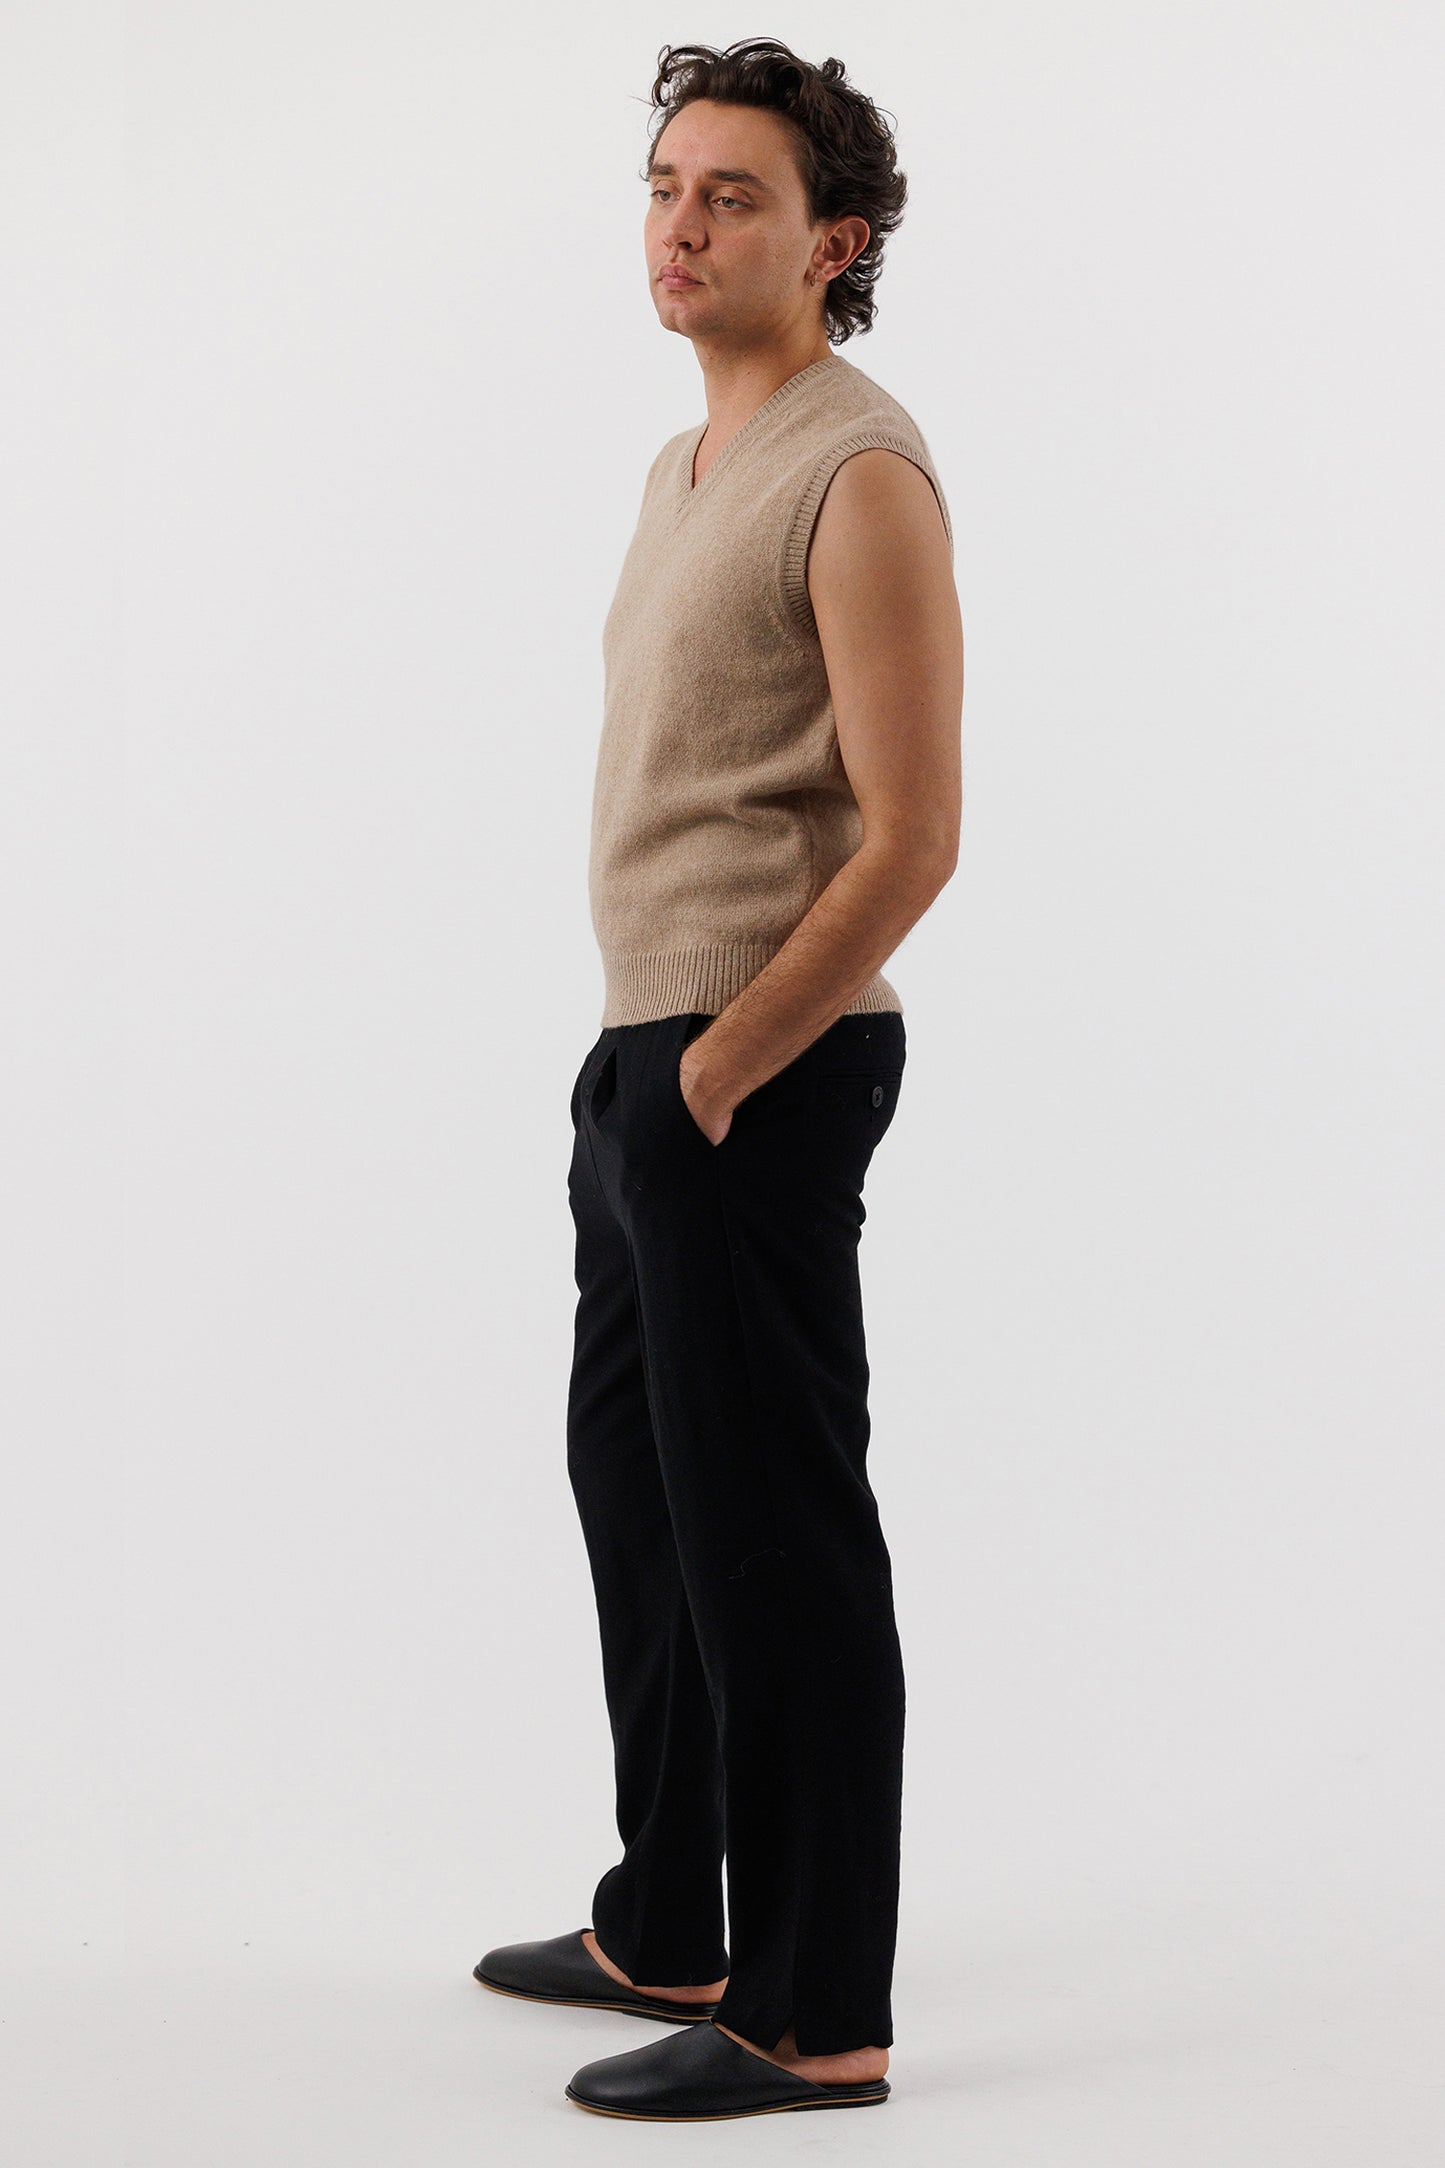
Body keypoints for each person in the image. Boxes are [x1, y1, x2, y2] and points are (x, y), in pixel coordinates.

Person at [475, 37, 963, 2122]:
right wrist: (643, 1083)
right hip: (645, 1056)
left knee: (774, 1532)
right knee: (645, 1499)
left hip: (754, 1062)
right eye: (666, 187)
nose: (680, 225)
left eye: (733, 195)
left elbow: (913, 837)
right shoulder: (686, 467)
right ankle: (669, 1913)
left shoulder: (859, 473)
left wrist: (721, 1073)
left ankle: (815, 2008)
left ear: (833, 241)